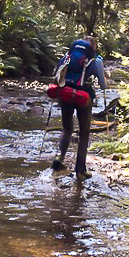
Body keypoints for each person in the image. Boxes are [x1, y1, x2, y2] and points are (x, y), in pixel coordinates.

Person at [51, 36, 106, 180]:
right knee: (84, 134)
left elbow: (57, 73)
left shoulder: (68, 56)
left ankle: (57, 163)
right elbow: (103, 84)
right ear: (93, 47)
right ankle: (80, 171)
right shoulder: (96, 60)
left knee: (67, 129)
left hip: (65, 94)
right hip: (83, 97)